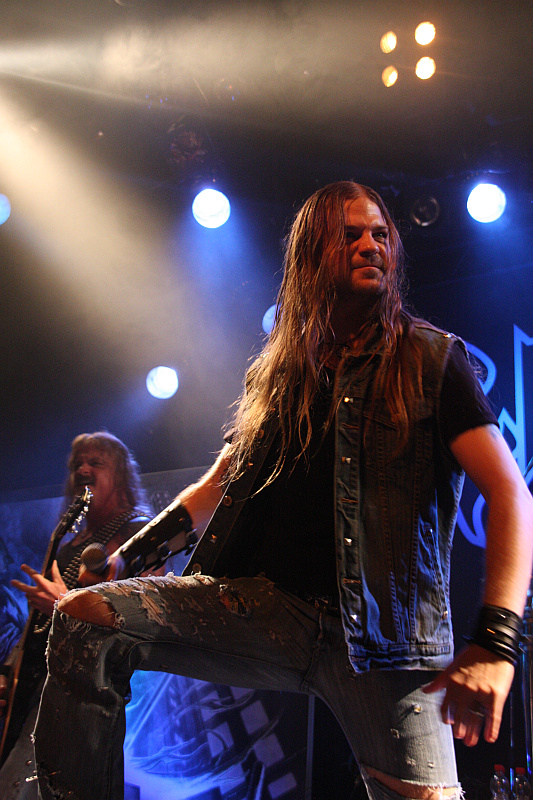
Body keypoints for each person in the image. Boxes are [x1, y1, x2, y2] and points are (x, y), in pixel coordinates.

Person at [34, 182, 533, 800]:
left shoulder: (430, 358)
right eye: (350, 235)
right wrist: (125, 559)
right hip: (272, 614)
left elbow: (511, 495)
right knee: (84, 618)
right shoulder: (279, 375)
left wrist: (496, 644)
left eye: (380, 234)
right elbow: (218, 485)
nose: (370, 245)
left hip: (385, 643)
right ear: (311, 254)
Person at [0, 432, 150, 800]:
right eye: (77, 464)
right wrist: (9, 673)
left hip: (89, 691)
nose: (82, 469)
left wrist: (65, 604)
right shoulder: (69, 541)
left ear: (120, 475)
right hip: (41, 686)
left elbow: (140, 620)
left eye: (95, 462)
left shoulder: (139, 533)